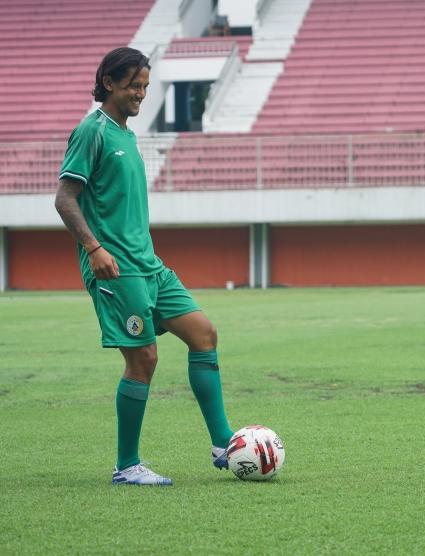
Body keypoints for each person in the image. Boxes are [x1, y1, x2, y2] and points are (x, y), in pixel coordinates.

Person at [54, 47, 235, 486]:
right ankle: (127, 465)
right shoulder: (91, 132)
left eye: (145, 86)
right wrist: (94, 248)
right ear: (110, 82)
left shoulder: (127, 135)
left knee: (203, 333)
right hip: (118, 269)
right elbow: (64, 198)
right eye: (134, 85)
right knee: (144, 360)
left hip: (150, 266)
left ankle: (223, 443)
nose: (141, 94)